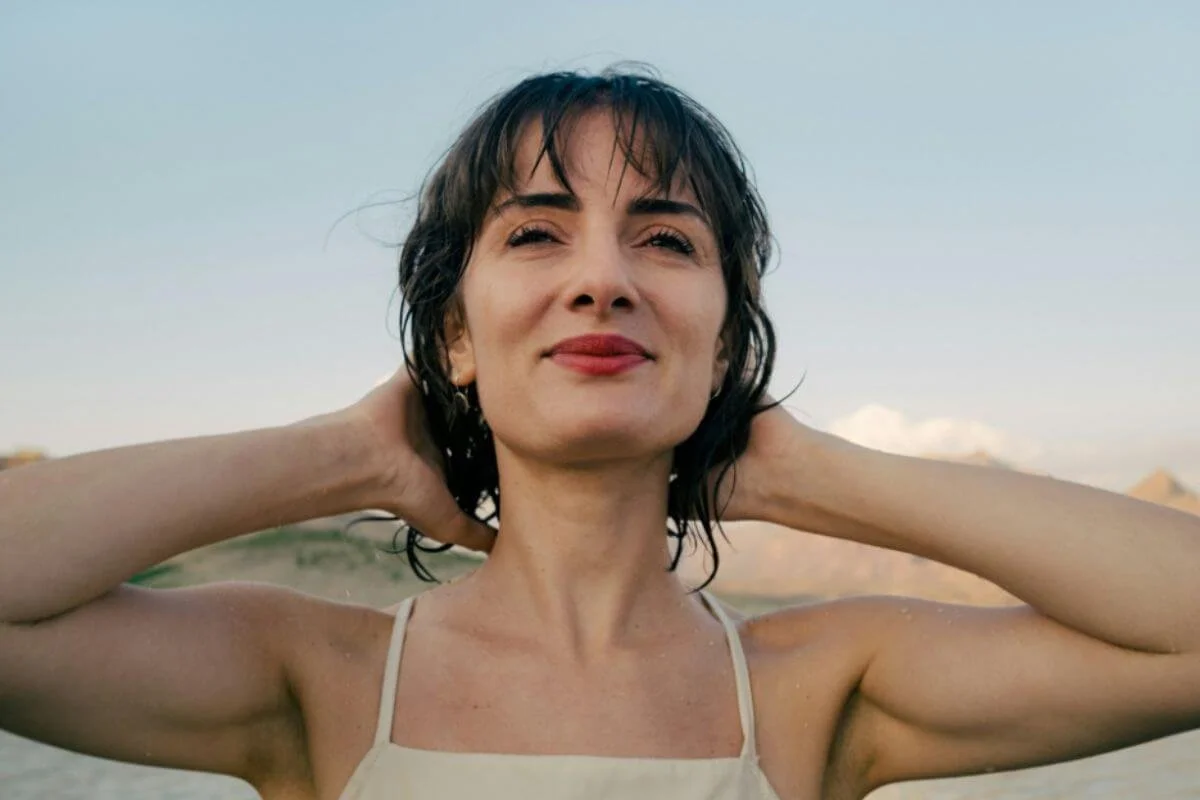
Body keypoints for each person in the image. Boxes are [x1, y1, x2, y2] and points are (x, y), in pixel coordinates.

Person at [1, 66, 1198, 800]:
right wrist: (345, 455)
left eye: (667, 240)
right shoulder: (319, 676)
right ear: (455, 335)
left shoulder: (825, 684)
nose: (603, 279)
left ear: (725, 342)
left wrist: (810, 472)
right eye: (535, 233)